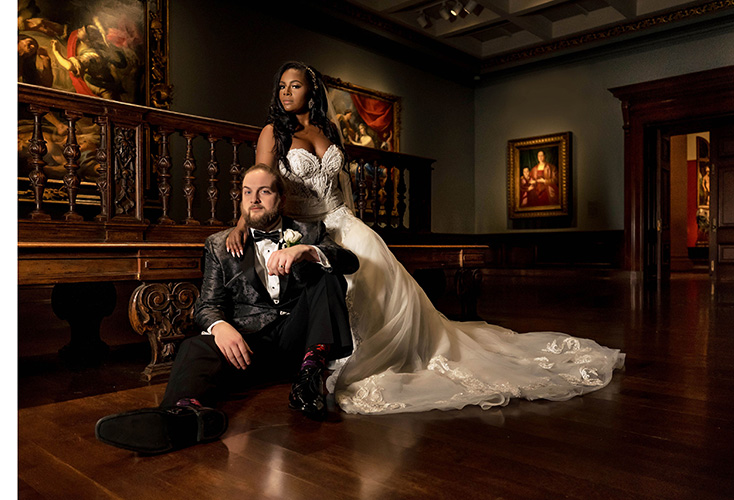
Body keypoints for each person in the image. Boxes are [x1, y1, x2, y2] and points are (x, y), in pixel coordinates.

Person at [226, 61, 624, 415]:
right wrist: (243, 223)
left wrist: (353, 222)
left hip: (344, 219)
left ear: (312, 91)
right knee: (342, 289)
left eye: (294, 85)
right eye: (281, 86)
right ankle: (330, 356)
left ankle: (396, 353)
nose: (286, 93)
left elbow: (341, 181)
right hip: (307, 226)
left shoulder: (328, 129)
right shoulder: (272, 132)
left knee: (387, 287)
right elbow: (260, 183)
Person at [95, 163, 360, 454]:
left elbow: (349, 262)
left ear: (281, 199)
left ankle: (309, 380)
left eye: (264, 191)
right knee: (195, 347)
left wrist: (307, 251)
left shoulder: (308, 231)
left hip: (298, 342)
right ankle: (183, 417)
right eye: (247, 192)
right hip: (249, 348)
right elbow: (207, 305)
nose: (253, 199)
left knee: (328, 274)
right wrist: (220, 327)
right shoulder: (219, 245)